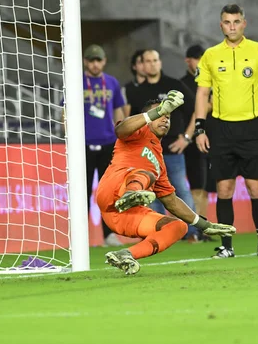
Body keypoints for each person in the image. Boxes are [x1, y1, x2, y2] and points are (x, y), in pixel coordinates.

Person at [96, 92, 236, 275]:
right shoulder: (138, 131)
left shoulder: (159, 163)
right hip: (111, 191)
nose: (164, 119)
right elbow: (121, 129)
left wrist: (204, 225)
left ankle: (125, 254)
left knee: (178, 226)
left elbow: (171, 201)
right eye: (160, 115)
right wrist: (154, 112)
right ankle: (130, 194)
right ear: (149, 117)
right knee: (146, 174)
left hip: (122, 217)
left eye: (168, 116)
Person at [194, 4, 258, 258]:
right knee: (224, 190)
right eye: (227, 22)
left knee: (256, 189)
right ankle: (226, 246)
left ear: (245, 23)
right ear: (220, 25)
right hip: (220, 129)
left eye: (236, 21)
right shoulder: (211, 55)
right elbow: (202, 93)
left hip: (252, 127)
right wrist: (200, 127)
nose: (231, 26)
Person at [129, 49, 201, 242]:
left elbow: (196, 111)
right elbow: (133, 121)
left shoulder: (174, 86)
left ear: (160, 63)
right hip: (147, 152)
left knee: (180, 190)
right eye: (148, 61)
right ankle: (160, 233)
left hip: (172, 149)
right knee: (151, 195)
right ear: (142, 65)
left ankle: (193, 232)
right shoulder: (136, 91)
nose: (152, 64)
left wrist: (186, 137)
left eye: (155, 60)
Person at [81, 44, 126, 247]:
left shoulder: (112, 82)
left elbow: (119, 110)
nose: (95, 64)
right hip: (83, 143)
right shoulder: (77, 81)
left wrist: (121, 134)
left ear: (104, 61)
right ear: (85, 61)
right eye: (91, 60)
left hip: (108, 142)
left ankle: (109, 234)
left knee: (108, 192)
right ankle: (81, 237)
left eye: (98, 60)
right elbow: (65, 111)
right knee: (81, 192)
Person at [179, 44, 212, 240]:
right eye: (197, 59)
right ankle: (192, 228)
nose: (200, 63)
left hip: (210, 137)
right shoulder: (182, 84)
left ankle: (202, 228)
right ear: (188, 61)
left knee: (204, 186)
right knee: (191, 186)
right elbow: (206, 106)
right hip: (189, 142)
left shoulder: (210, 81)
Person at [121, 49, 146, 117]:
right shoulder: (127, 89)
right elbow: (126, 117)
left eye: (146, 61)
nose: (144, 65)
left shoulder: (158, 85)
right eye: (140, 62)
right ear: (134, 66)